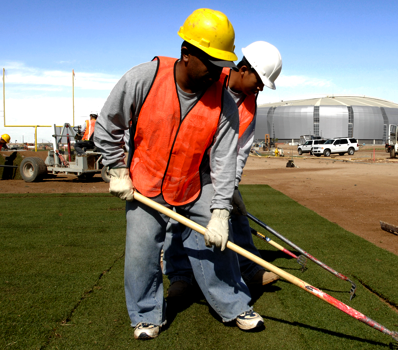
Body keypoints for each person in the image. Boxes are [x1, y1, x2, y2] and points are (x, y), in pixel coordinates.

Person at [94, 8, 262, 340]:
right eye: (212, 65)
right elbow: (108, 125)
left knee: (218, 242)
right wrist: (115, 169)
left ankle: (234, 303)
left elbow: (226, 160)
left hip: (193, 182)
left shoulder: (224, 102)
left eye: (222, 66)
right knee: (142, 250)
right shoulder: (144, 78)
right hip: (145, 180)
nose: (218, 74)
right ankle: (146, 315)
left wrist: (220, 210)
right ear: (187, 54)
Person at [164, 41, 283, 290]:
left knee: (236, 216)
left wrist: (232, 186)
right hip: (187, 164)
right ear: (243, 69)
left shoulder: (251, 103)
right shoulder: (211, 80)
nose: (261, 88)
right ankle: (180, 275)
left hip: (219, 169)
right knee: (178, 218)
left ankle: (249, 267)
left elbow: (241, 150)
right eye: (259, 80)